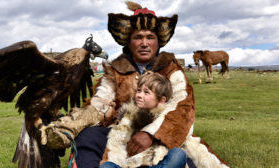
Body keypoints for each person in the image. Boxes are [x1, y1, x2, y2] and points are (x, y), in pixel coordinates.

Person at [41, 1, 229, 168]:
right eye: (138, 37)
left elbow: (182, 108)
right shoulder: (117, 70)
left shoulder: (172, 70)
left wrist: (150, 134)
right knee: (88, 138)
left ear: (158, 42)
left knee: (184, 158)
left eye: (150, 37)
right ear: (129, 42)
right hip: (122, 132)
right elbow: (101, 103)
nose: (144, 43)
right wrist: (74, 124)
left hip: (164, 133)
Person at [100, 71, 186, 168]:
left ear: (161, 100)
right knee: (107, 166)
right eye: (139, 90)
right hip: (130, 165)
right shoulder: (128, 117)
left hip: (155, 164)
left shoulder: (166, 117)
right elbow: (117, 144)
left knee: (178, 154)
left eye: (146, 92)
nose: (139, 95)